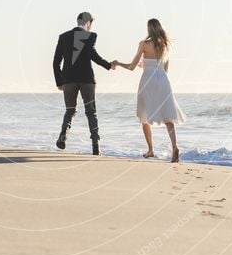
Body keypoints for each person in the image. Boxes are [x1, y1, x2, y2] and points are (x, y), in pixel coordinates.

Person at [113, 18, 186, 162]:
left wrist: (118, 63)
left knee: (144, 115)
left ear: (149, 29)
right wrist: (148, 65)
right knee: (168, 116)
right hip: (163, 80)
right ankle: (175, 147)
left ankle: (151, 150)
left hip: (148, 81)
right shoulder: (166, 45)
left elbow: (132, 67)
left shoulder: (144, 44)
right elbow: (164, 69)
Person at [52, 11, 113, 155]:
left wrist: (59, 81)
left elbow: (55, 62)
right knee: (91, 112)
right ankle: (95, 145)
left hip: (68, 80)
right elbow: (92, 55)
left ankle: (63, 134)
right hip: (87, 79)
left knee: (70, 110)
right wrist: (108, 65)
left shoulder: (64, 37)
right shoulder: (91, 36)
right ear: (89, 22)